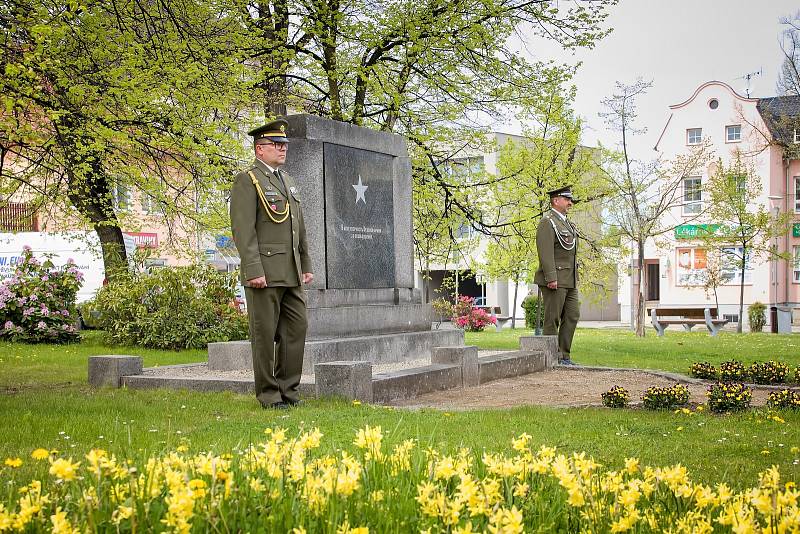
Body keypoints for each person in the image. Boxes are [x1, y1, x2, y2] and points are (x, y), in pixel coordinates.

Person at [230, 118, 314, 409]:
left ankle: (288, 390)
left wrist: (305, 263)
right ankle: (269, 395)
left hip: (290, 271)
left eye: (284, 144)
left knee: (297, 328)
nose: (282, 149)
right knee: (264, 335)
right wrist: (253, 269)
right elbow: (243, 230)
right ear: (259, 149)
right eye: (276, 144)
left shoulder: (286, 181)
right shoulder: (248, 180)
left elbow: (298, 227)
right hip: (264, 272)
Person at [534, 185, 580, 365]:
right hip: (555, 279)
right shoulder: (548, 222)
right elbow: (545, 252)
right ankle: (551, 358)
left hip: (570, 279)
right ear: (556, 200)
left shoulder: (567, 223)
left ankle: (564, 356)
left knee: (572, 315)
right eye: (567, 199)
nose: (570, 203)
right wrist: (551, 277)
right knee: (552, 319)